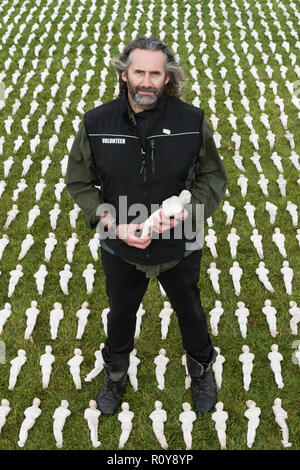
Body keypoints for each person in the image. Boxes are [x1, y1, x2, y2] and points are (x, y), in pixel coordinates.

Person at [66, 36, 227, 416]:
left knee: (190, 309)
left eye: (156, 73)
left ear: (167, 78)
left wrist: (190, 213)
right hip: (119, 243)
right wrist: (111, 222)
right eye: (139, 72)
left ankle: (202, 367)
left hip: (180, 242)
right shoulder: (96, 122)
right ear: (124, 74)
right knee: (121, 312)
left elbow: (212, 178)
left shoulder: (191, 121)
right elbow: (79, 182)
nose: (146, 81)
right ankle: (116, 372)